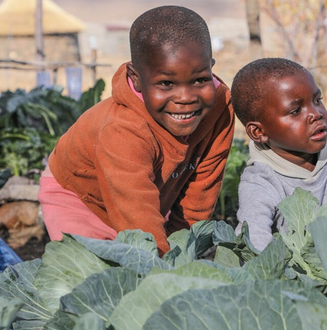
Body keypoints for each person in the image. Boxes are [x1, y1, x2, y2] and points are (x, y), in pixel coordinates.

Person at [37, 6, 235, 255]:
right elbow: (138, 223)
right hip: (79, 200)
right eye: (166, 83)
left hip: (141, 201)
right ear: (137, 78)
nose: (186, 97)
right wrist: (162, 268)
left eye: (200, 80)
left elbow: (201, 193)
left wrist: (183, 252)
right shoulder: (122, 130)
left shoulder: (219, 108)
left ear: (211, 66)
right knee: (92, 278)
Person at [231, 58, 327, 251]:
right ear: (259, 132)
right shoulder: (259, 183)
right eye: (296, 111)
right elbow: (255, 242)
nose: (316, 114)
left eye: (317, 100)